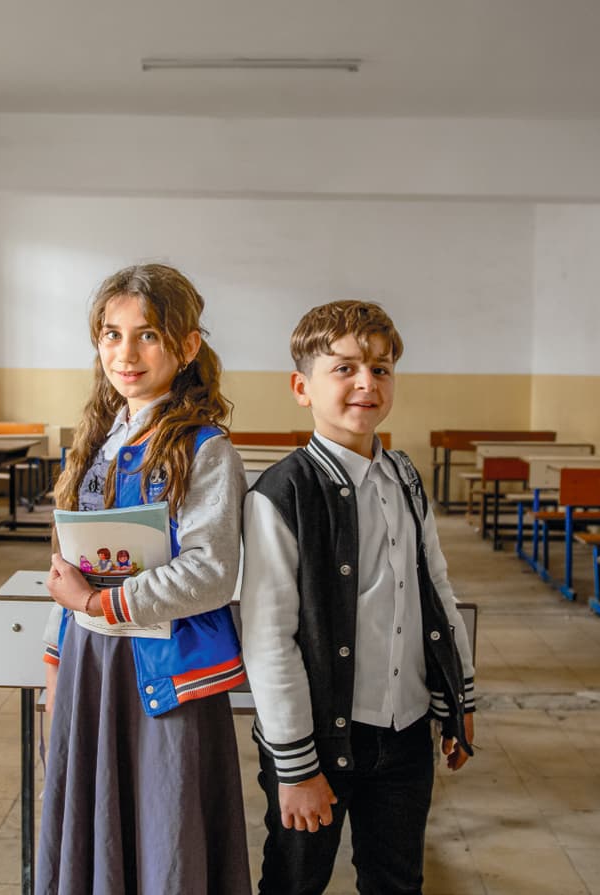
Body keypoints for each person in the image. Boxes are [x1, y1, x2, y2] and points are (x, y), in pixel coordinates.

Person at [240, 300, 475, 895]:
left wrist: (458, 694)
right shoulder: (281, 492)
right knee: (296, 880)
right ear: (302, 386)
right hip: (318, 739)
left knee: (396, 880)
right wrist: (296, 768)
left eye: (381, 367)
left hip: (405, 731)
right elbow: (269, 639)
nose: (366, 382)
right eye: (343, 368)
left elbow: (435, 588)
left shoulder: (405, 477)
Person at [37, 263, 252, 895]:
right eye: (111, 334)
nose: (125, 353)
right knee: (96, 825)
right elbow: (73, 564)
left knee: (165, 828)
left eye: (148, 335)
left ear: (187, 346)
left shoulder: (205, 449)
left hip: (167, 676)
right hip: (91, 665)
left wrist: (99, 604)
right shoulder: (98, 444)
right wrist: (56, 657)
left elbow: (211, 573)